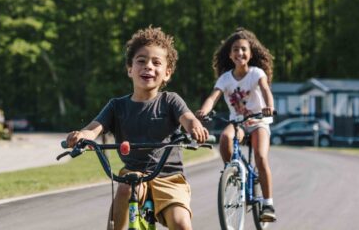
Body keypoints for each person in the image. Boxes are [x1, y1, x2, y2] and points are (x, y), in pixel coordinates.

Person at [67, 27, 209, 230]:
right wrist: (82, 135)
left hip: (169, 178)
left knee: (181, 223)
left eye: (156, 63)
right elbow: (94, 128)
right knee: (124, 187)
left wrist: (195, 128)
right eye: (141, 61)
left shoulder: (171, 101)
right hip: (134, 175)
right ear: (129, 69)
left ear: (167, 73)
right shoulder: (116, 106)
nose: (148, 67)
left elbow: (188, 119)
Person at [196, 27, 276, 222]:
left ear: (250, 54)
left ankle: (268, 204)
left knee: (260, 155)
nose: (240, 53)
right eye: (235, 50)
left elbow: (265, 89)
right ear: (230, 55)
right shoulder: (225, 78)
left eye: (243, 49)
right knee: (225, 138)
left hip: (258, 121)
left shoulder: (256, 73)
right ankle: (233, 172)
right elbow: (213, 97)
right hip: (238, 122)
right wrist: (203, 111)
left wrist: (269, 107)